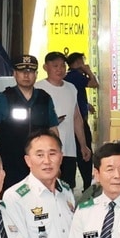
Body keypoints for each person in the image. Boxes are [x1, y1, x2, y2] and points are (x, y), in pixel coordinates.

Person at [0, 55, 60, 189]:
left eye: (30, 71)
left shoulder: (44, 98)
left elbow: (53, 131)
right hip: (10, 163)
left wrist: (57, 162)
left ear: (36, 74)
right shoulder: (4, 98)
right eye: (22, 71)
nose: (26, 75)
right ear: (14, 74)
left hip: (40, 163)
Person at [35, 52, 90, 188]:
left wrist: (83, 145)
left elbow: (76, 117)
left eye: (62, 66)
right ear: (45, 67)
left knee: (67, 186)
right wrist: (51, 122)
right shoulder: (38, 88)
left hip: (69, 149)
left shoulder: (71, 88)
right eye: (55, 66)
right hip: (46, 150)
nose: (59, 69)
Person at [65, 53, 99, 189]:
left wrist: (86, 105)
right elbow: (94, 84)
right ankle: (87, 185)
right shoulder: (76, 75)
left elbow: (76, 98)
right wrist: (88, 70)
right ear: (78, 62)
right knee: (84, 153)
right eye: (82, 61)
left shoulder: (69, 77)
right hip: (78, 123)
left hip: (71, 122)